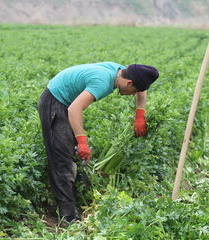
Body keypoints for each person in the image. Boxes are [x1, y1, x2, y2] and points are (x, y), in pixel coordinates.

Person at [38, 61, 159, 223]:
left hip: (68, 103)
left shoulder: (123, 72)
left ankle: (77, 200)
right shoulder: (102, 82)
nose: (133, 94)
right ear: (129, 83)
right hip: (55, 101)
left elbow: (141, 90)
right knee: (62, 158)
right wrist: (82, 141)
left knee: (71, 153)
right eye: (133, 91)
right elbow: (74, 109)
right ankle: (68, 216)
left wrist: (140, 114)